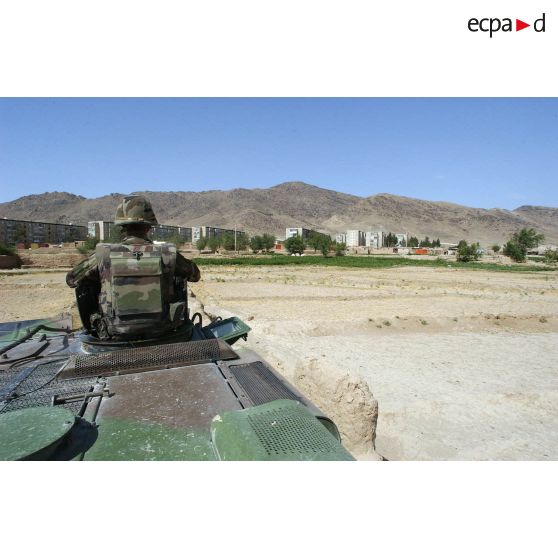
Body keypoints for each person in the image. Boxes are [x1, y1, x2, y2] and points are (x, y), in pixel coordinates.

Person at [67, 195, 200, 340]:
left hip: (114, 333)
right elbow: (195, 275)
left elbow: (72, 279)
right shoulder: (168, 253)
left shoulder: (104, 254)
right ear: (149, 226)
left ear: (122, 227)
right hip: (162, 331)